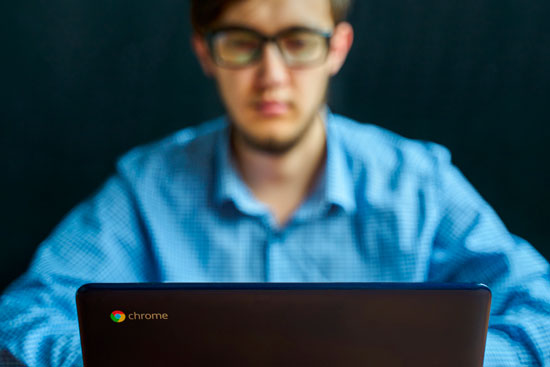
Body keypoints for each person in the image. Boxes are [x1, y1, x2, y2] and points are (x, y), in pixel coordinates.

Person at [1, 0, 549, 366]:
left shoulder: (418, 184)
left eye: (298, 41)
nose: (272, 75)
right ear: (204, 52)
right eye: (241, 43)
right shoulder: (146, 188)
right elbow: (23, 317)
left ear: (337, 48)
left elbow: (540, 307)